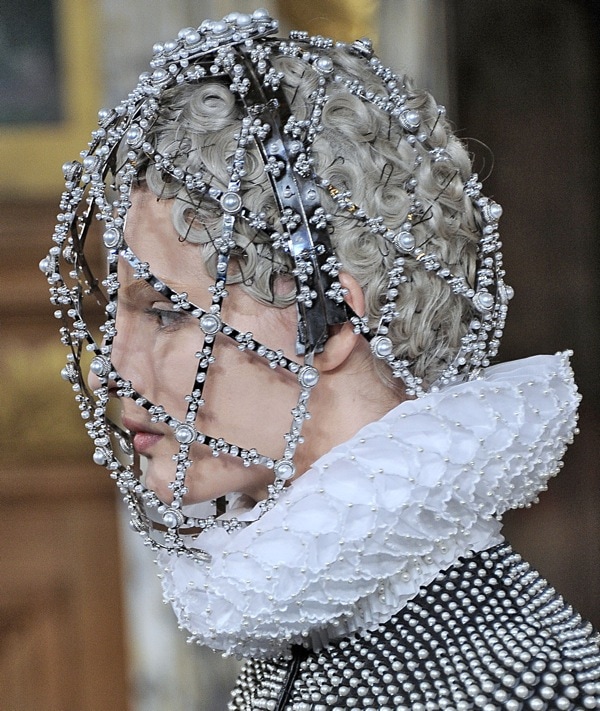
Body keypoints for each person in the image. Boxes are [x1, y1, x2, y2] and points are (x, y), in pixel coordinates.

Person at [41, 9, 600, 710]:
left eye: (165, 311)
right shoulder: (313, 633)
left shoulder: (511, 679)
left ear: (328, 319)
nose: (108, 367)